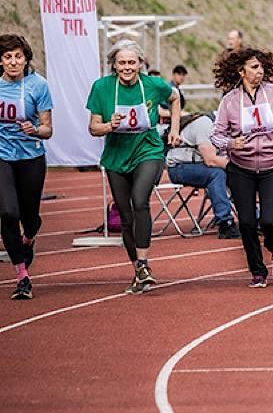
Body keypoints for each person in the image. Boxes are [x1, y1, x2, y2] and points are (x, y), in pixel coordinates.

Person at [87, 40, 181, 294]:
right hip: (117, 155)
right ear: (114, 66)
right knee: (126, 217)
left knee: (140, 201)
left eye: (132, 62)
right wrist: (109, 126)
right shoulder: (102, 87)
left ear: (140, 64)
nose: (127, 67)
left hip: (147, 150)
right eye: (122, 63)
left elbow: (175, 98)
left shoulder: (152, 85)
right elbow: (93, 127)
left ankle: (143, 263)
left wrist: (173, 130)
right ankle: (139, 270)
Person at [211, 47, 273, 287]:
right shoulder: (229, 101)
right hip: (241, 168)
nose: (260, 71)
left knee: (270, 219)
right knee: (247, 222)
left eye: (261, 67)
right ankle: (257, 270)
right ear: (241, 71)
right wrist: (231, 143)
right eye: (254, 67)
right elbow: (216, 135)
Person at [1, 35, 52, 300]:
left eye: (18, 56)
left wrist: (35, 130)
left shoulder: (38, 85)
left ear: (25, 58)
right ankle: (22, 277)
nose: (13, 62)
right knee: (8, 213)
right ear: (0, 61)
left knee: (29, 217)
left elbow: (48, 130)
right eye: (8, 57)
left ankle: (29, 237)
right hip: (2, 158)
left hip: (31, 157)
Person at [165, 111, 239, 240]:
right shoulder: (206, 124)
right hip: (179, 167)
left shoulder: (236, 126)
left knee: (242, 174)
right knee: (217, 173)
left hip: (200, 164)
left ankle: (254, 217)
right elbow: (210, 160)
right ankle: (225, 222)